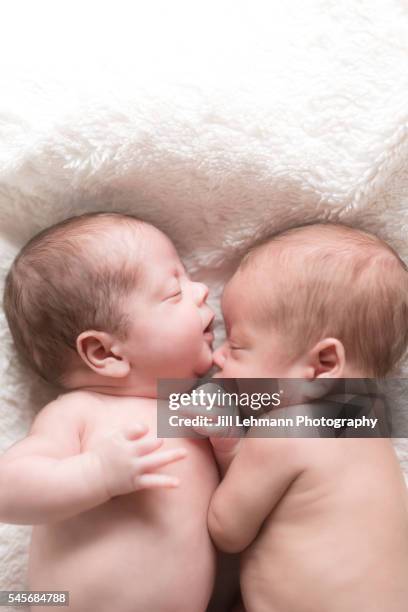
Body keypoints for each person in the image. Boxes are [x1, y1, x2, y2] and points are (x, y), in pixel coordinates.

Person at [0, 211, 219, 612]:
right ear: (106, 352)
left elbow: (342, 411)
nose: (203, 290)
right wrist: (96, 474)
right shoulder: (82, 411)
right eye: (174, 292)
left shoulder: (201, 405)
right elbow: (6, 492)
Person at [208, 223, 408, 612]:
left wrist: (229, 441)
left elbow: (227, 530)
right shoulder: (369, 424)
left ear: (323, 363)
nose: (218, 356)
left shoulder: (284, 430)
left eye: (235, 345)